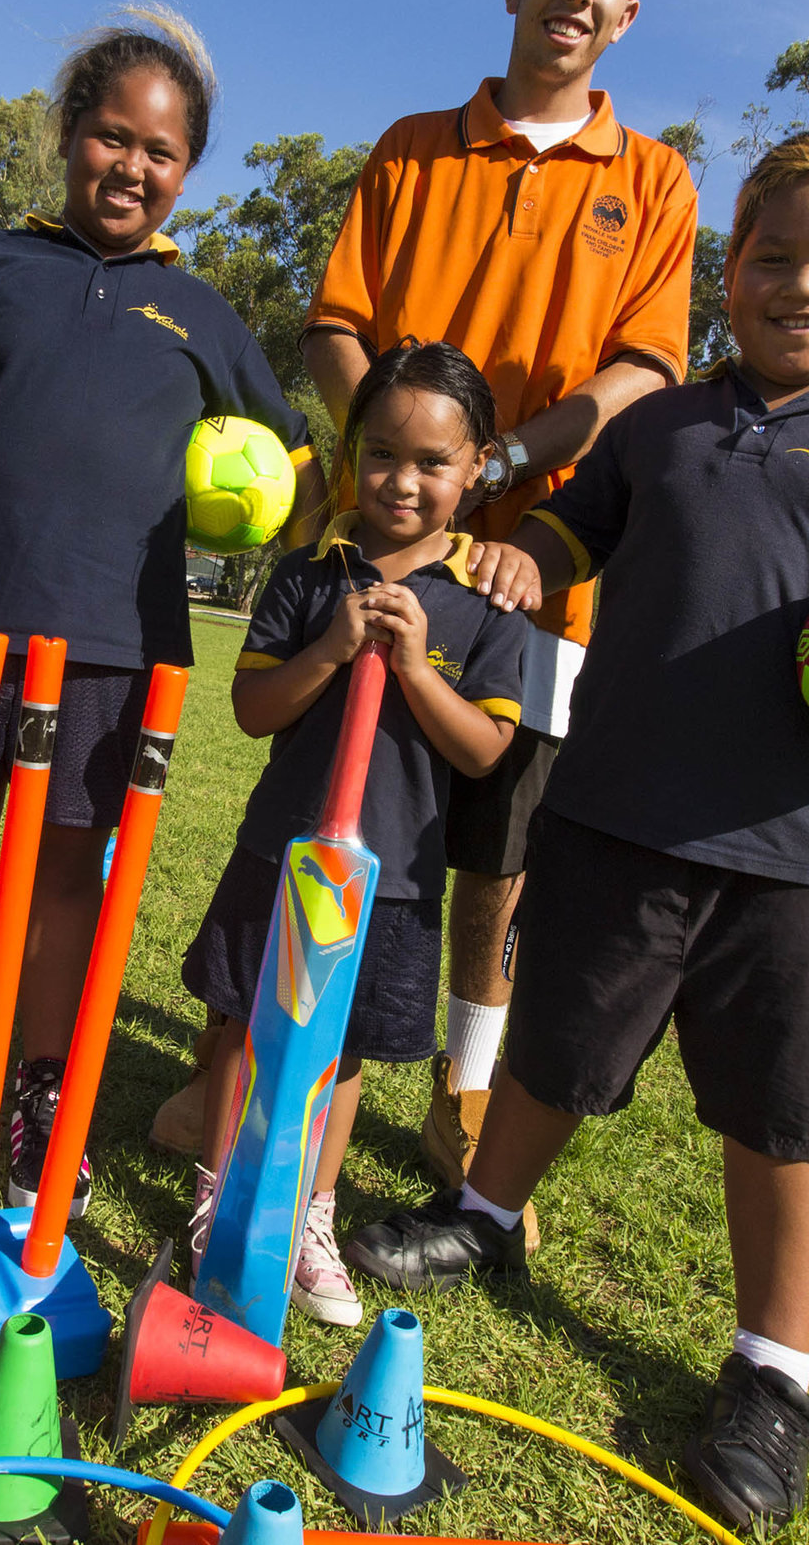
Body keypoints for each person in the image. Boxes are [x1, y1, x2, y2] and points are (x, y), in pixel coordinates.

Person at [337, 128, 809, 1530]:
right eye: (769, 256)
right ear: (726, 270)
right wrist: (530, 551)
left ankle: (771, 1370)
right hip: (619, 812)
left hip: (805, 854)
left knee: (791, 1111)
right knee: (558, 1040)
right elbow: (578, 532)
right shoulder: (664, 424)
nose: (798, 282)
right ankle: (487, 1218)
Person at [150, 0, 698, 1257]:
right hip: (382, 528)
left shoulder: (658, 180)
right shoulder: (411, 148)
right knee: (321, 803)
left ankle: (460, 1073)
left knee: (486, 846)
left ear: (629, 17)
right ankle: (240, 1063)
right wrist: (394, 455)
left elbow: (641, 371)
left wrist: (500, 481)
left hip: (532, 558)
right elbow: (341, 324)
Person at [0, 6, 323, 1213]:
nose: (131, 167)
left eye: (162, 152)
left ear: (187, 171)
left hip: (114, 642)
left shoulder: (204, 317)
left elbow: (287, 471)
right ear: (67, 134)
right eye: (109, 136)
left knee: (66, 872)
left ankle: (39, 1092)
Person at [184, 342, 528, 1328]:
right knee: (245, 1028)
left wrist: (418, 669)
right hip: (284, 853)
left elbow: (482, 753)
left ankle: (309, 1218)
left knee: (342, 1055)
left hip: (398, 879)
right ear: (351, 452)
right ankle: (221, 1195)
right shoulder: (305, 576)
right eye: (381, 455)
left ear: (474, 466)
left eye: (431, 462)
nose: (402, 481)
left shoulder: (488, 605)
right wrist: (335, 646)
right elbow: (254, 708)